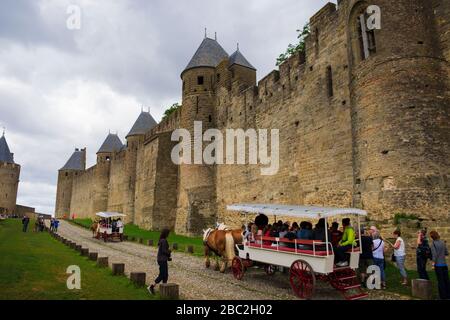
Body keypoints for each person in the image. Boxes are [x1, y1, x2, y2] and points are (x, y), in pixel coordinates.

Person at [148, 229, 172, 294]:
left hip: (162, 259)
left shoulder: (162, 240)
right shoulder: (164, 241)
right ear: (166, 234)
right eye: (168, 233)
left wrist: (168, 257)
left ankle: (164, 289)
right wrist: (169, 251)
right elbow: (164, 251)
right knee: (162, 274)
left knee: (165, 275)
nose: (169, 234)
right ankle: (151, 286)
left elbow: (162, 251)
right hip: (162, 260)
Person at [430, 231, 450, 300]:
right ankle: (448, 295)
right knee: (446, 280)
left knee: (440, 281)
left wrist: (433, 264)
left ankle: (442, 297)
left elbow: (434, 255)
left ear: (432, 237)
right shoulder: (442, 242)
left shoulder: (433, 244)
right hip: (444, 265)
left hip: (438, 265)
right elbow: (446, 253)